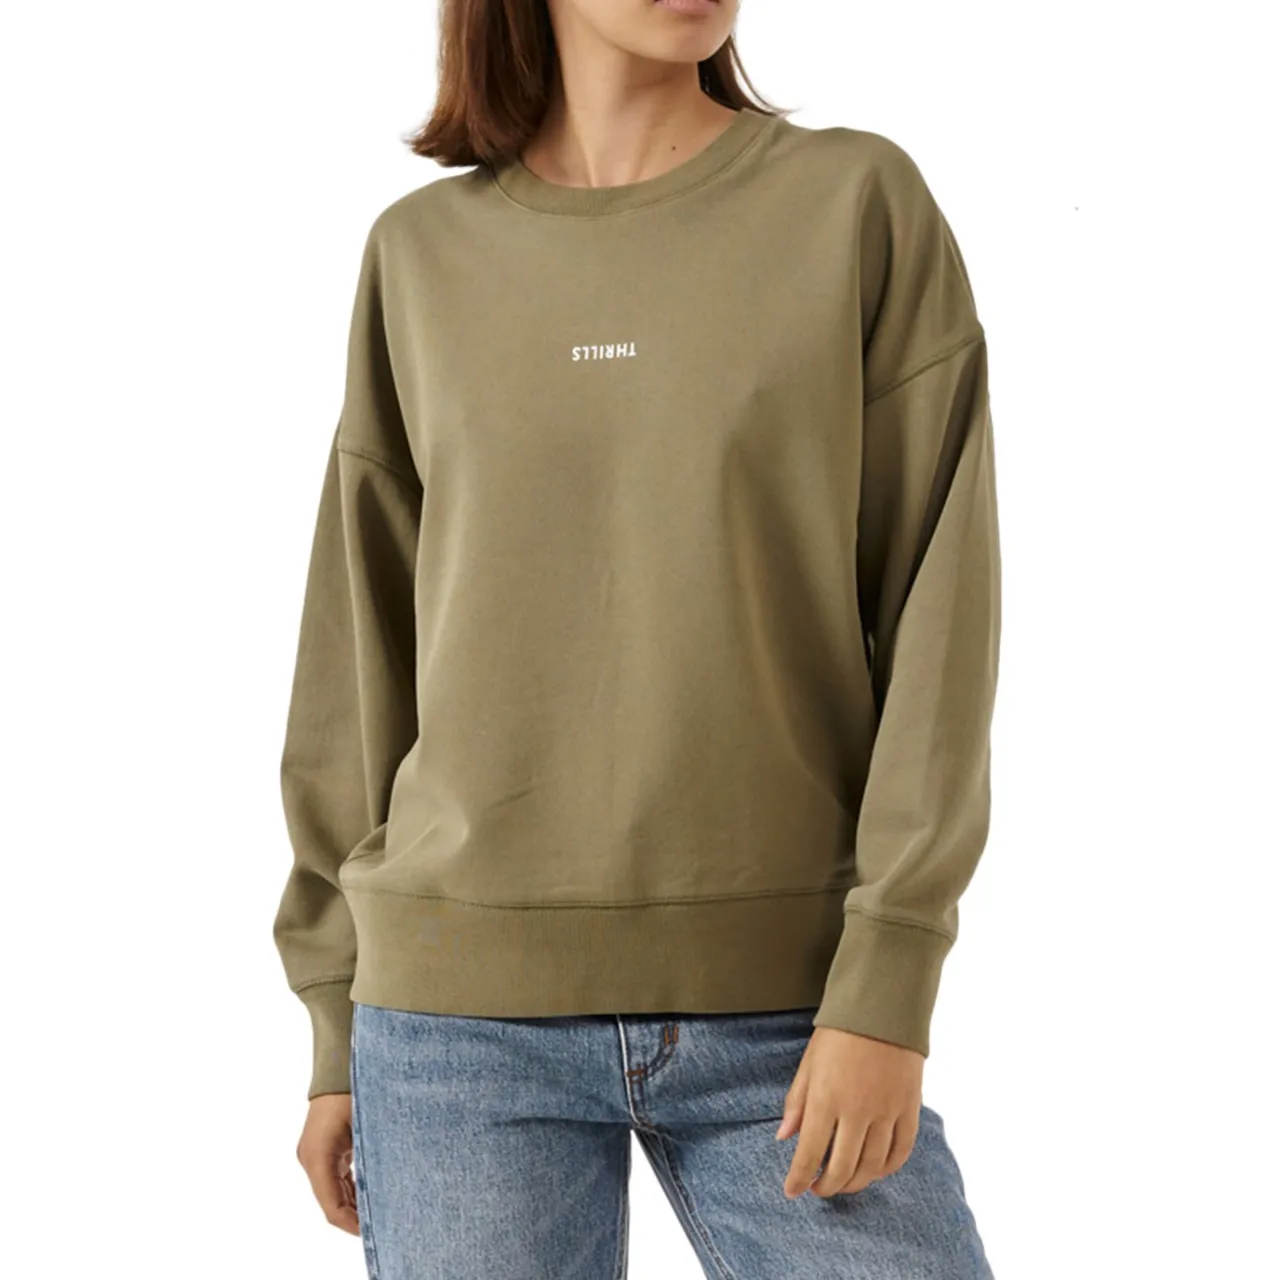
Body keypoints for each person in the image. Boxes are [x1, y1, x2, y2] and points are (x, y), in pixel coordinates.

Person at [272, 1, 1002, 1276]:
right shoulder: (420, 255)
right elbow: (358, 647)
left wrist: (889, 978)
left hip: (793, 1007)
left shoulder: (851, 205)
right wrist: (336, 1020)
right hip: (453, 1022)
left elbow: (939, 606)